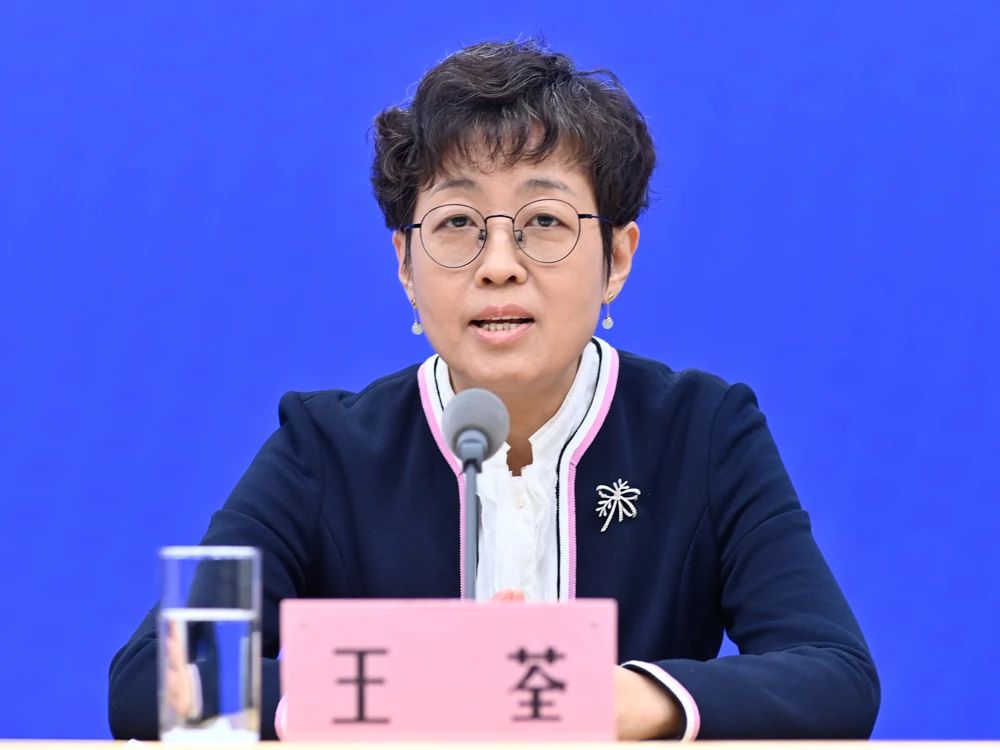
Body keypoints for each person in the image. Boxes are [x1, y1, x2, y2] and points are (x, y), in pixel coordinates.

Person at [108, 39, 880, 740]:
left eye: (544, 221)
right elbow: (156, 679)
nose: (499, 265)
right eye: (457, 224)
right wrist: (419, 685)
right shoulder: (326, 449)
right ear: (405, 265)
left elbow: (834, 675)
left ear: (616, 259)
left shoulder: (702, 431)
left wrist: (613, 698)